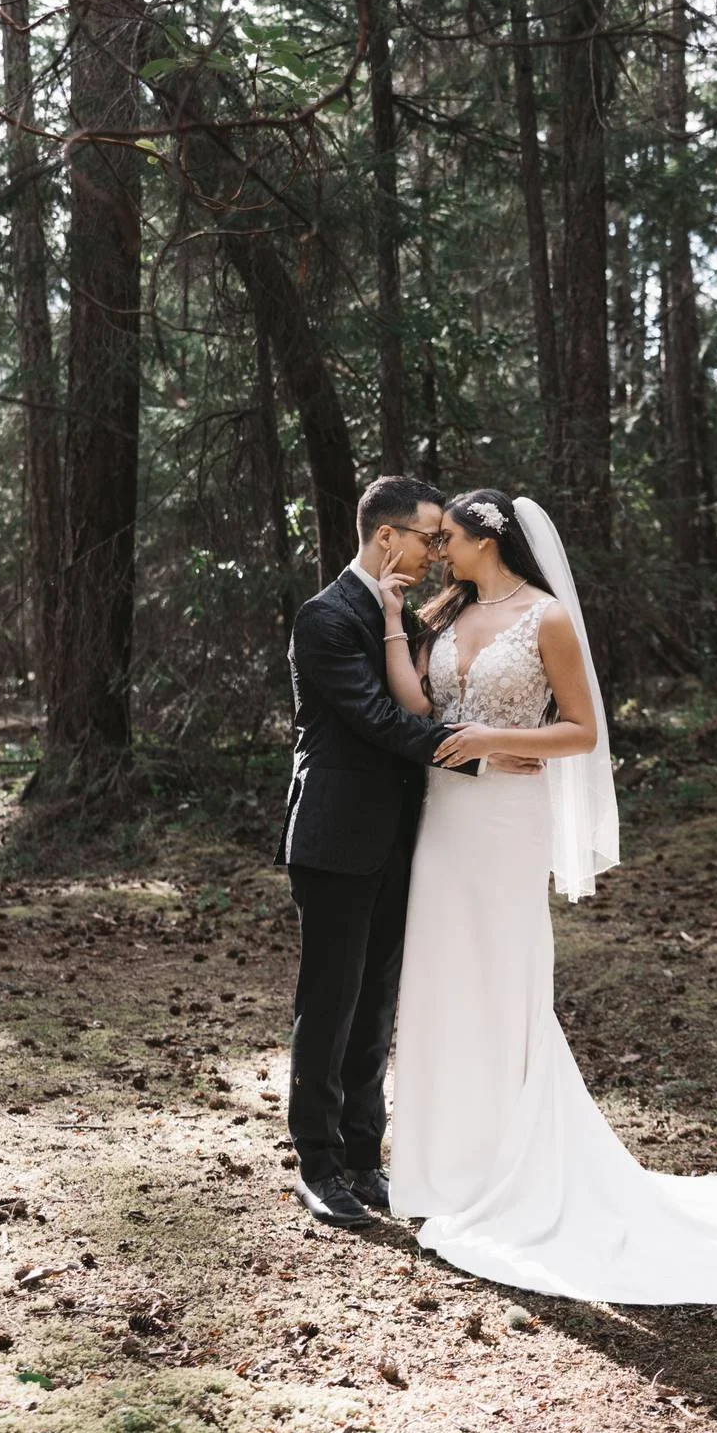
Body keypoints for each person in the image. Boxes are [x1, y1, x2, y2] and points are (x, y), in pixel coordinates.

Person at [380, 489, 717, 1303]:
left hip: (508, 819)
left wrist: (494, 740)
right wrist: (388, 618)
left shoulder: (546, 618)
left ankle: (513, 1163)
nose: (436, 548)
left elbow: (583, 731)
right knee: (441, 978)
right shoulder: (441, 616)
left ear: (489, 538)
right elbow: (414, 708)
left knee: (505, 977)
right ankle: (440, 1167)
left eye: (447, 536)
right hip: (443, 818)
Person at [276, 476, 539, 1231]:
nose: (435, 549)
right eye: (427, 535)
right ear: (385, 536)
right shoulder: (323, 617)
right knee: (328, 1004)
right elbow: (375, 718)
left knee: (376, 1004)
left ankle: (364, 1157)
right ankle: (319, 1167)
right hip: (333, 836)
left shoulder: (410, 616)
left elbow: (427, 699)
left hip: (403, 837)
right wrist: (482, 756)